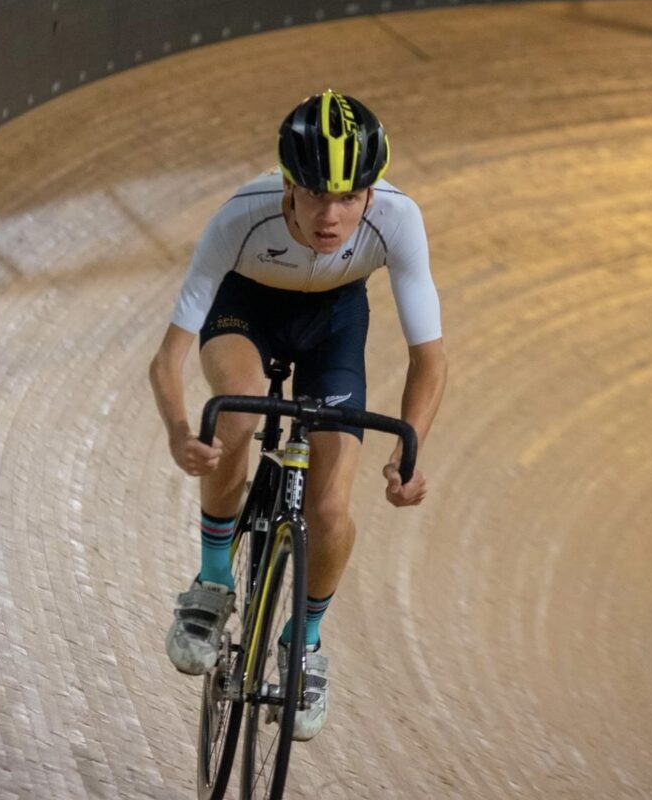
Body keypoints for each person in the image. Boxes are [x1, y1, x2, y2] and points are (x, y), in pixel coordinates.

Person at [150, 90, 447, 741]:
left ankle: (303, 644)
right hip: (247, 311)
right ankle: (213, 581)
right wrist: (178, 429)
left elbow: (431, 361)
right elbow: (167, 361)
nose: (331, 215)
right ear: (288, 182)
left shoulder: (398, 218)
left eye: (349, 196)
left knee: (332, 510)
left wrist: (410, 449)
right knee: (238, 413)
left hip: (334, 326)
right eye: (316, 194)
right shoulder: (240, 219)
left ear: (372, 192)